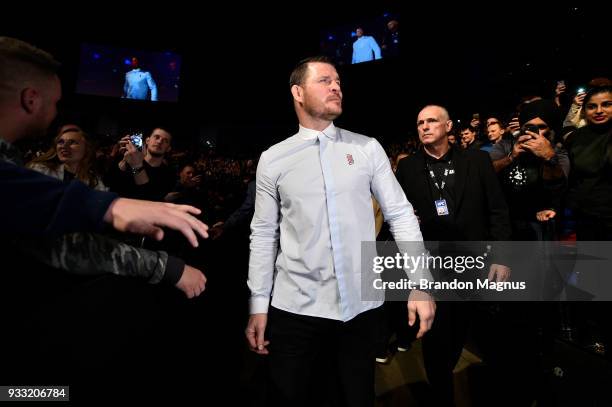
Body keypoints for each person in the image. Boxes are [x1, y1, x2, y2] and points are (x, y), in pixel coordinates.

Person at [245, 56, 435, 406]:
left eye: (338, 81)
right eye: (325, 80)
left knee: (356, 398)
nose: (336, 87)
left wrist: (420, 283)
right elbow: (264, 234)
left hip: (361, 312)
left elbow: (400, 214)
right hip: (295, 312)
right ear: (298, 92)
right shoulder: (273, 159)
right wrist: (258, 304)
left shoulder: (366, 148)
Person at [0, 36, 208, 246]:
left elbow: (148, 199)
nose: (159, 142)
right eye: (156, 137)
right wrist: (119, 177)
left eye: (165, 140)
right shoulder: (33, 172)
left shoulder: (166, 171)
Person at [395, 105, 512, 407]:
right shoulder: (407, 168)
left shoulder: (477, 159)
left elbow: (497, 210)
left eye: (431, 121)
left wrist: (501, 255)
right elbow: (400, 217)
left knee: (483, 339)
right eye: (420, 122)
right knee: (437, 345)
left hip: (479, 264)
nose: (424, 126)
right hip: (434, 268)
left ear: (448, 127)